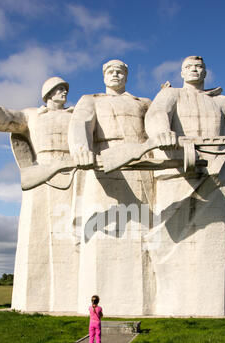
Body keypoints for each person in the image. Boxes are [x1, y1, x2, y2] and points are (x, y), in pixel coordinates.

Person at [144, 55, 225, 316]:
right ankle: (170, 305)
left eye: (199, 67)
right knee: (169, 241)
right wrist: (162, 131)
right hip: (177, 171)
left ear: (205, 72)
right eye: (189, 67)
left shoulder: (221, 101)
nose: (194, 70)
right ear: (181, 72)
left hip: (217, 176)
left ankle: (211, 306)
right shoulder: (172, 95)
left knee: (212, 244)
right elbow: (157, 114)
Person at [0, 77, 78, 312]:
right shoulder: (32, 115)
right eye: (59, 89)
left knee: (73, 234)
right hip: (42, 174)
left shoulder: (76, 116)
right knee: (36, 234)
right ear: (48, 94)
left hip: (73, 172)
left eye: (65, 89)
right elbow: (6, 117)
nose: (63, 92)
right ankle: (32, 303)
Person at [68, 59, 155, 316]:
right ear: (103, 76)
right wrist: (82, 149)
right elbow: (79, 126)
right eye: (110, 71)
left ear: (126, 76)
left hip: (140, 166)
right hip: (104, 164)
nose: (115, 75)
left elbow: (155, 127)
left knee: (143, 233)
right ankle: (99, 305)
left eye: (120, 71)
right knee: (102, 233)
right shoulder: (90, 100)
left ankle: (141, 303)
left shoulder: (143, 103)